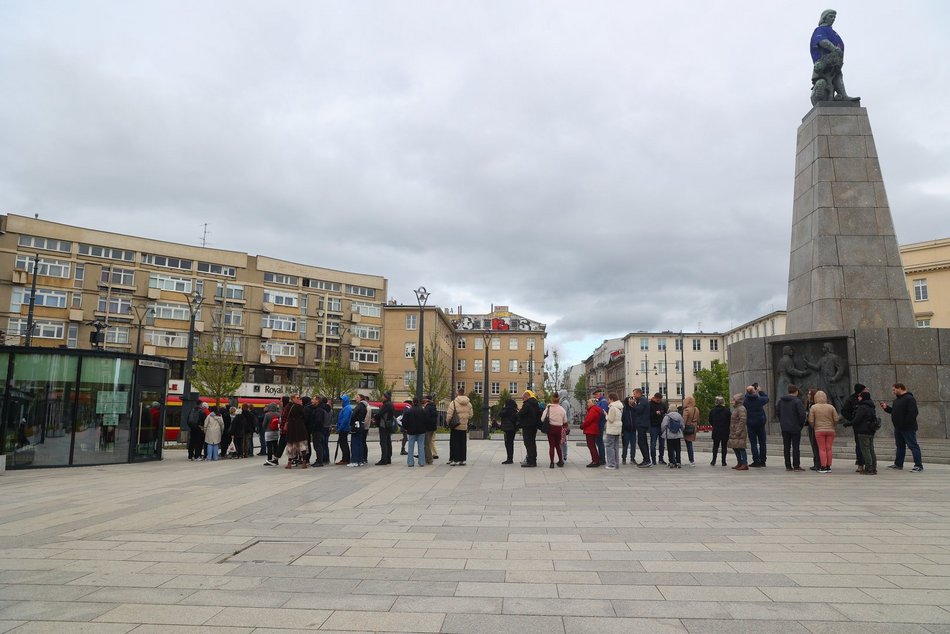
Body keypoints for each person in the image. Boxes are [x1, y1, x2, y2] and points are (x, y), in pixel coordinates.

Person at [809, 9, 860, 105]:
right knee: (823, 80)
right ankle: (820, 93)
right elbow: (822, 41)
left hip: (835, 61)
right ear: (824, 18)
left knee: (838, 76)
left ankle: (843, 95)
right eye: (830, 16)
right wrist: (834, 48)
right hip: (823, 61)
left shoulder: (833, 32)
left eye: (834, 17)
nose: (833, 19)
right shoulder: (820, 30)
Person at [881, 383, 923, 473]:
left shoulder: (909, 399)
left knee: (913, 445)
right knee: (900, 446)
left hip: (908, 428)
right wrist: (886, 408)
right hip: (898, 428)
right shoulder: (897, 400)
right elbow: (894, 411)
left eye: (894, 390)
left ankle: (918, 465)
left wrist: (905, 423)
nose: (893, 392)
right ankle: (898, 464)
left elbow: (913, 413)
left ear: (900, 388)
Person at [843, 391, 878, 475]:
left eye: (859, 397)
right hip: (870, 430)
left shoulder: (862, 407)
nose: (858, 398)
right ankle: (873, 467)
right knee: (871, 449)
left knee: (865, 450)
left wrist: (848, 424)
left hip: (863, 430)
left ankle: (869, 468)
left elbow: (857, 420)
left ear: (863, 398)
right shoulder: (871, 406)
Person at [807, 390, 840, 473]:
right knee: (829, 448)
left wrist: (814, 426)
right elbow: (836, 418)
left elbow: (810, 420)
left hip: (819, 430)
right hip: (830, 430)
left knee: (822, 449)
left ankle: (823, 466)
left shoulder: (814, 407)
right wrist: (833, 425)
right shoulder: (831, 407)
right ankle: (829, 466)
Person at [777, 384, 807, 472]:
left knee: (786, 447)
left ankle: (788, 466)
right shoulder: (797, 401)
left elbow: (778, 412)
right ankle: (796, 465)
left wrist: (782, 422)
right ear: (796, 391)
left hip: (784, 427)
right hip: (795, 427)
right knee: (795, 447)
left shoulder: (780, 401)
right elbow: (802, 415)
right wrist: (800, 425)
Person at [841, 383, 867, 473]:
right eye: (864, 389)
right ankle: (860, 463)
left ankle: (868, 462)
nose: (866, 390)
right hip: (858, 425)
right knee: (859, 445)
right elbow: (844, 411)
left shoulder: (867, 398)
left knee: (867, 444)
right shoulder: (851, 399)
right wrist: (853, 419)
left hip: (867, 425)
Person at [446, 388, 474, 466]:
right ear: (464, 393)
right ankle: (462, 459)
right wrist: (465, 419)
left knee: (454, 443)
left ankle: (455, 459)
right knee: (463, 443)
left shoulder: (454, 402)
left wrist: (448, 423)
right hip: (464, 426)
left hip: (455, 426)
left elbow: (449, 415)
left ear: (458, 393)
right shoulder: (469, 404)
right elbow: (471, 415)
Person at [744, 385, 770, 468]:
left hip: (751, 424)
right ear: (754, 391)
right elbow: (766, 398)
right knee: (762, 443)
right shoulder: (759, 399)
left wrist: (751, 391)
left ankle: (756, 461)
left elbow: (747, 396)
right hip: (760, 424)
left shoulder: (746, 401)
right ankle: (763, 461)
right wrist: (760, 391)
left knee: (753, 443)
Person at [541, 393, 569, 468]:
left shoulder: (548, 408)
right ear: (559, 400)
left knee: (551, 446)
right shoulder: (562, 409)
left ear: (552, 400)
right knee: (558, 445)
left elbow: (542, 419)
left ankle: (552, 463)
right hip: (559, 428)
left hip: (550, 428)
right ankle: (560, 461)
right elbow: (565, 421)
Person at [283, 394, 309, 469]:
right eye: (297, 398)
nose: (299, 399)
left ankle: (289, 463)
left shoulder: (287, 406)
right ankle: (304, 462)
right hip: (299, 427)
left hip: (291, 428)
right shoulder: (299, 406)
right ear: (293, 398)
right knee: (302, 445)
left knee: (290, 445)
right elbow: (304, 416)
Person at [518, 390, 541, 467]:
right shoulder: (535, 403)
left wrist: (518, 413)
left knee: (528, 444)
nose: (523, 399)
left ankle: (531, 462)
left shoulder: (527, 404)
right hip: (534, 427)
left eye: (523, 397)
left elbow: (520, 414)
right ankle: (533, 459)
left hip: (527, 427)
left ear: (527, 396)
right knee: (532, 443)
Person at [401, 398, 427, 467]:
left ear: (412, 402)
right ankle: (421, 462)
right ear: (418, 402)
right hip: (421, 431)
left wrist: (406, 428)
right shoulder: (423, 410)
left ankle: (410, 462)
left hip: (411, 431)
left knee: (410, 446)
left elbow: (404, 421)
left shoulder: (409, 411)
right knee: (421, 446)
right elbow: (427, 420)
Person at [630, 389, 652, 468]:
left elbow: (638, 410)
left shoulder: (642, 400)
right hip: (641, 424)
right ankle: (646, 459)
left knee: (642, 442)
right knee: (642, 442)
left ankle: (647, 460)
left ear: (639, 393)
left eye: (635, 394)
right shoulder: (642, 400)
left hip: (642, 424)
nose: (634, 396)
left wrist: (633, 405)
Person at [708, 396, 731, 467]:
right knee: (724, 446)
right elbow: (730, 420)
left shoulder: (712, 411)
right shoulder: (727, 411)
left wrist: (714, 425)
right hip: (725, 430)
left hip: (716, 430)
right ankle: (723, 461)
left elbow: (710, 420)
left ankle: (713, 460)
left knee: (715, 446)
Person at [728, 394, 749, 470]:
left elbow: (742, 420)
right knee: (735, 447)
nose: (732, 402)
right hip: (734, 431)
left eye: (733, 400)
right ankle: (739, 462)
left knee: (741, 447)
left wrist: (738, 430)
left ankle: (744, 463)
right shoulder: (736, 408)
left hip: (739, 432)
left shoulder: (741, 408)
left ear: (737, 400)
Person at [603, 393, 623, 470]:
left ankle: (611, 464)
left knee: (609, 447)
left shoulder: (612, 407)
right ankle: (616, 463)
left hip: (612, 429)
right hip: (617, 429)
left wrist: (606, 415)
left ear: (611, 399)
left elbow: (611, 419)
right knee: (615, 447)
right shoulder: (620, 407)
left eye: (609, 399)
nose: (608, 401)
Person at [376, 391, 395, 466]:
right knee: (388, 442)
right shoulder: (391, 404)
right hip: (388, 425)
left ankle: (384, 459)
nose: (382, 397)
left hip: (383, 425)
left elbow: (379, 414)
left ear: (386, 397)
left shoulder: (386, 405)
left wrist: (374, 417)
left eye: (383, 396)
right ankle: (388, 458)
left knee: (383, 442)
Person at [804, 388, 822, 471]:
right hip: (811, 426)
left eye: (809, 394)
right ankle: (816, 462)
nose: (808, 395)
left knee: (816, 445)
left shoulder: (815, 405)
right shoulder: (809, 403)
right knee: (813, 445)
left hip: (815, 426)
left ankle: (818, 463)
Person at [649, 392, 668, 465]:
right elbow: (648, 414)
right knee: (653, 444)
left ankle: (661, 458)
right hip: (653, 426)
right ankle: (653, 459)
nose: (659, 401)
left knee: (662, 444)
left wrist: (662, 413)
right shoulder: (650, 404)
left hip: (661, 426)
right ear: (654, 398)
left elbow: (666, 413)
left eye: (660, 400)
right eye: (657, 400)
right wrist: (655, 413)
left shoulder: (663, 404)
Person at [581, 399, 601, 468]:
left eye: (589, 402)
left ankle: (595, 461)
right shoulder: (595, 409)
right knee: (592, 446)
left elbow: (588, 420)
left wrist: (582, 426)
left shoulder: (592, 410)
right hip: (593, 429)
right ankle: (596, 460)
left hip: (590, 430)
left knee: (591, 446)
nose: (587, 404)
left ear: (593, 403)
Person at [349, 394, 368, 467]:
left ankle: (354, 460)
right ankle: (360, 460)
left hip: (356, 425)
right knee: (360, 443)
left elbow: (353, 416)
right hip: (361, 425)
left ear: (361, 398)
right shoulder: (365, 406)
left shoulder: (359, 406)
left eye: (357, 397)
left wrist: (351, 423)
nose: (355, 398)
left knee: (355, 443)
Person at [498, 398, 518, 464]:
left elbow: (500, 414)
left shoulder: (506, 410)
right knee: (511, 443)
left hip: (507, 429)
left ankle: (509, 459)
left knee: (508, 443)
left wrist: (503, 407)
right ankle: (510, 458)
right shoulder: (515, 410)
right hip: (513, 429)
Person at [681, 395, 700, 467]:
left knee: (688, 444)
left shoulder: (686, 410)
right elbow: (698, 419)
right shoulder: (696, 409)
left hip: (688, 428)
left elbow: (683, 421)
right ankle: (692, 460)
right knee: (690, 444)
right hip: (694, 427)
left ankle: (691, 460)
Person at [558, 389, 574, 462]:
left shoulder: (564, 403)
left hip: (563, 424)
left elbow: (563, 414)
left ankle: (563, 457)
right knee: (563, 441)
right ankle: (564, 456)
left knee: (562, 441)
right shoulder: (565, 402)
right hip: (564, 424)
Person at [336, 395, 352, 465]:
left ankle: (345, 459)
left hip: (344, 429)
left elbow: (345, 419)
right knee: (343, 444)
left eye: (342, 400)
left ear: (345, 400)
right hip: (343, 428)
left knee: (343, 444)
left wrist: (340, 428)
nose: (341, 402)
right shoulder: (345, 407)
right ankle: (345, 458)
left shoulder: (347, 408)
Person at [593, 389, 608, 466]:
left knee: (599, 442)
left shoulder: (603, 402)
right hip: (598, 424)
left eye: (595, 395)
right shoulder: (599, 401)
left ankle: (602, 459)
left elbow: (603, 413)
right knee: (598, 442)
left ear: (599, 394)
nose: (594, 396)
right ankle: (601, 458)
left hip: (600, 424)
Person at [423, 395, 439, 465]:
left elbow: (426, 418)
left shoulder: (427, 408)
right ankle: (428, 458)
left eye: (424, 400)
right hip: (433, 428)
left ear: (427, 401)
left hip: (428, 428)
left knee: (426, 444)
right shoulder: (433, 407)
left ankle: (429, 459)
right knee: (430, 443)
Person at [620, 396, 636, 465]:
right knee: (625, 445)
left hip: (633, 430)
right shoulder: (624, 409)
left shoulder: (634, 408)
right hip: (626, 430)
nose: (632, 400)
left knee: (633, 445)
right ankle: (624, 458)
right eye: (631, 399)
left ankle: (632, 458)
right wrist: (622, 431)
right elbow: (622, 420)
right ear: (627, 401)